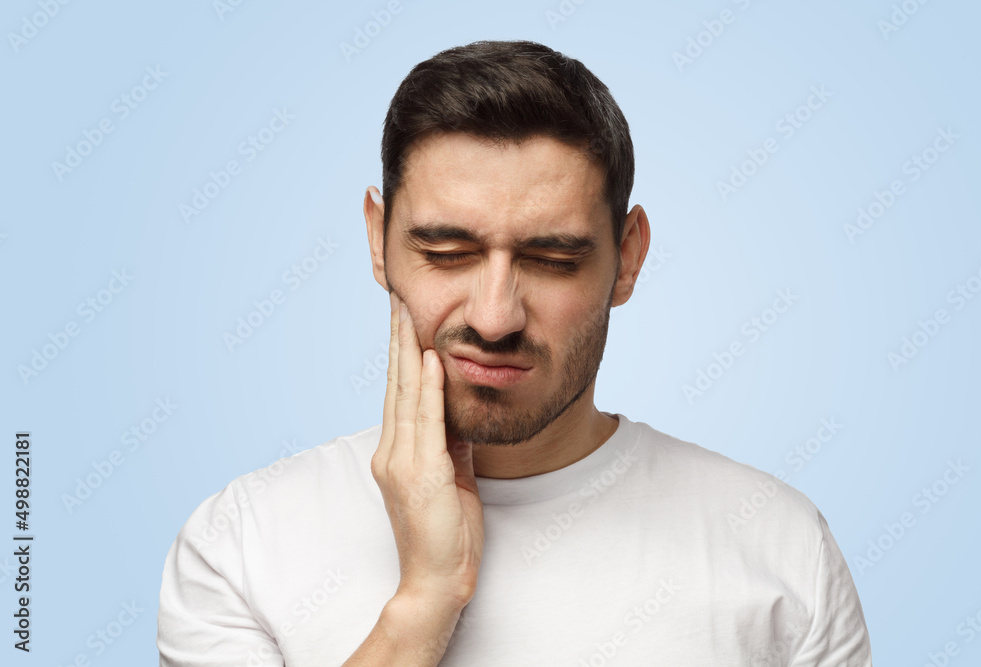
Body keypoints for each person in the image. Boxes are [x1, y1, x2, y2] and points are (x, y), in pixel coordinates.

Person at [157, 40, 873, 666]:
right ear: (378, 241)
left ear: (627, 259)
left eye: (554, 259)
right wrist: (424, 603)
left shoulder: (779, 546)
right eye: (446, 252)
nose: (495, 316)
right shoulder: (241, 546)